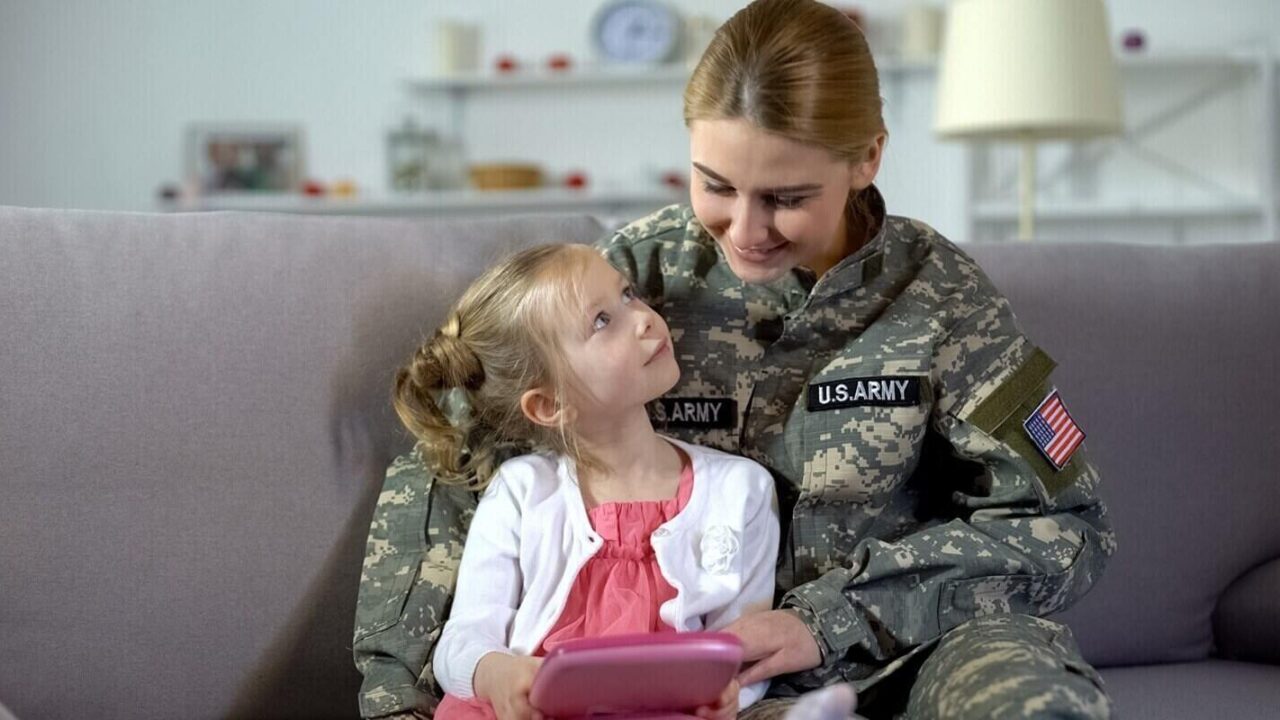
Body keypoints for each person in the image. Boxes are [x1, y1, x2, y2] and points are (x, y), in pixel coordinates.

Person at [354, 1, 1116, 718]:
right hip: (688, 692)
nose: (745, 231)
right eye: (714, 185)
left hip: (912, 650)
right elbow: (452, 461)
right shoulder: (635, 277)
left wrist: (831, 618)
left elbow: (1062, 527)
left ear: (867, 158)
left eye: (786, 197)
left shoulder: (942, 296)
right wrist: (401, 701)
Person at [387, 243, 780, 720]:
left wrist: (727, 695)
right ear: (549, 405)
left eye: (628, 294)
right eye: (602, 320)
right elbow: (462, 641)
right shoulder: (521, 492)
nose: (644, 319)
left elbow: (744, 651)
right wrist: (500, 675)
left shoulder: (742, 491)